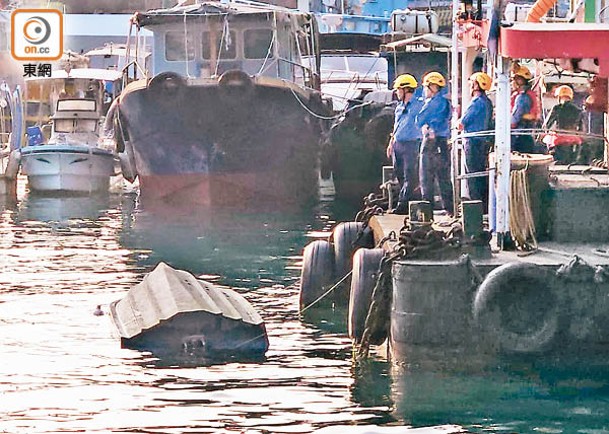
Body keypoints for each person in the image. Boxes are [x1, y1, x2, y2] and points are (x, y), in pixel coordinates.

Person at [386, 73, 424, 214]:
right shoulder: (399, 107)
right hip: (398, 144)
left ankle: (402, 206)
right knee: (399, 173)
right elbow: (397, 125)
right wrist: (391, 143)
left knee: (410, 175)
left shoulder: (419, 105)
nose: (396, 93)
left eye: (398, 90)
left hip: (411, 144)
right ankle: (410, 200)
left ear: (406, 90)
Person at [416, 71, 454, 215]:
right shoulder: (445, 103)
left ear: (432, 87)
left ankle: (427, 211)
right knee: (444, 177)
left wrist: (426, 127)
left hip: (431, 142)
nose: (424, 90)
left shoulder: (432, 103)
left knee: (426, 177)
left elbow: (419, 119)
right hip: (443, 143)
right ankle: (449, 208)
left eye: (426, 87)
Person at [459, 71, 494, 204]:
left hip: (472, 142)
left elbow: (463, 122)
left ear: (475, 85)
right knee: (480, 175)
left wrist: (457, 122)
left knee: (472, 176)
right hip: (483, 141)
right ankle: (483, 205)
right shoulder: (488, 102)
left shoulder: (476, 102)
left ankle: (474, 205)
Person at [542, 84, 583, 163]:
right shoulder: (578, 110)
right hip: (573, 138)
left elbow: (547, 124)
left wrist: (543, 133)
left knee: (545, 145)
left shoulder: (557, 108)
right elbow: (581, 128)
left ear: (559, 96)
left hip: (559, 137)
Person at [510, 64, 538, 153]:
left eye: (515, 79)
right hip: (526, 135)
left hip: (519, 136)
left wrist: (503, 126)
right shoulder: (528, 95)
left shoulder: (522, 98)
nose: (513, 82)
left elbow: (515, 118)